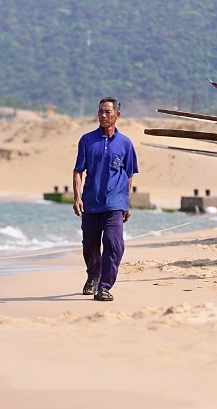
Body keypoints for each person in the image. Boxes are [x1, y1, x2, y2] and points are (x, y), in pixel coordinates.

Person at [72, 97, 138, 301]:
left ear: (117, 115)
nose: (103, 115)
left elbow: (129, 175)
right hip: (91, 203)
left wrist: (126, 202)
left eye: (107, 112)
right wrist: (77, 197)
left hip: (115, 204)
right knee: (89, 245)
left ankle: (105, 286)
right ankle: (93, 275)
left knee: (114, 243)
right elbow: (78, 171)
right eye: (100, 111)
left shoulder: (126, 143)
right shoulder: (86, 140)